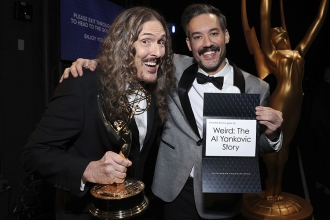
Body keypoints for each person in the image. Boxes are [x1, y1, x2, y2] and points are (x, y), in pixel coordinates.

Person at [61, 3, 283, 219]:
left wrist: (272, 135)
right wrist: (93, 63)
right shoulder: (172, 67)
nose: (207, 43)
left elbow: (256, 146)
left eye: (213, 34)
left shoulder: (256, 87)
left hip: (224, 189)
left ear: (226, 35)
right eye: (197, 37)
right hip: (175, 185)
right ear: (188, 43)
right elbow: (132, 59)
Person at [21, 6, 176, 220]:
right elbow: (33, 154)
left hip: (133, 210)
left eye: (161, 42)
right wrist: (89, 170)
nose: (158, 52)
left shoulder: (153, 90)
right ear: (123, 44)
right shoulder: (82, 85)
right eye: (146, 41)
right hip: (86, 212)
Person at [242, 0, 328, 202]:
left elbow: (319, 21)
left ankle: (276, 189)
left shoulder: (299, 52)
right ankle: (269, 186)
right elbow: (264, 19)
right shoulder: (274, 56)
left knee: (285, 147)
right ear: (272, 41)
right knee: (274, 147)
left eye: (282, 29)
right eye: (276, 31)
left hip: (296, 105)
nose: (280, 30)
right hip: (279, 102)